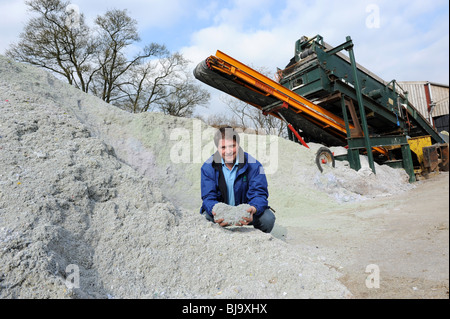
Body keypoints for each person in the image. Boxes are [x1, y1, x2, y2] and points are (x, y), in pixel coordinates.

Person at [200, 126, 275, 233]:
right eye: (223, 147)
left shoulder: (255, 165)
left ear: (238, 145)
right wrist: (215, 210)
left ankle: (259, 239)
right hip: (222, 214)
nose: (228, 151)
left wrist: (253, 209)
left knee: (268, 219)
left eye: (232, 146)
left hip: (247, 214)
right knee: (205, 218)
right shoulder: (208, 167)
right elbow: (208, 197)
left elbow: (259, 194)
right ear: (217, 148)